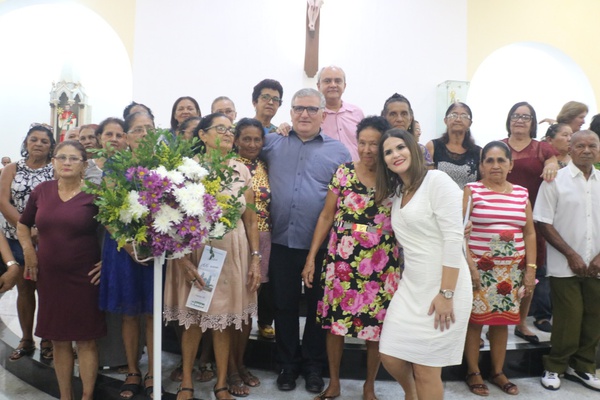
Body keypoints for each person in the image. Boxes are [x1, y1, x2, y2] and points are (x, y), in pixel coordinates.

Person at [302, 116, 401, 400]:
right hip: (342, 261)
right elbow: (326, 215)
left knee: (376, 328)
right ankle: (334, 383)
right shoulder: (343, 172)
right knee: (336, 327)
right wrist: (311, 258)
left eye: (374, 143)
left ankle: (369, 386)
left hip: (382, 264)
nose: (368, 149)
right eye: (362, 142)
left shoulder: (394, 178)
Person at [163, 112, 261, 400]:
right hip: (196, 252)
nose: (228, 134)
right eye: (220, 129)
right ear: (202, 135)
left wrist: (255, 258)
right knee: (194, 317)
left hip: (232, 252)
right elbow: (171, 218)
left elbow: (252, 219)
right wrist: (181, 258)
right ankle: (187, 384)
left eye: (230, 129)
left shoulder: (241, 170)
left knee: (224, 318)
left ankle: (220, 383)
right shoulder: (186, 170)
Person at [261, 88, 351, 394]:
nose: (304, 114)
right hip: (281, 242)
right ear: (290, 113)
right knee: (283, 306)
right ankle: (287, 364)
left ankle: (314, 366)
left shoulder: (338, 152)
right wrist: (274, 129)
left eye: (312, 109)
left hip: (322, 246)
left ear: (323, 115)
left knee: (317, 310)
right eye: (299, 108)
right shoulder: (272, 143)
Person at [375, 129, 472, 400]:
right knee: (390, 355)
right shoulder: (398, 192)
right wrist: (347, 228)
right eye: (388, 152)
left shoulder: (437, 180)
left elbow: (454, 240)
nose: (395, 155)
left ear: (414, 150)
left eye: (400, 148)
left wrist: (446, 294)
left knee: (427, 370)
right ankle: (413, 395)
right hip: (412, 287)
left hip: (444, 285)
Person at [17, 140, 104, 400]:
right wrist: (29, 253)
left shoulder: (95, 194)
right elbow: (23, 226)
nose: (66, 162)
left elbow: (116, 233)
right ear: (53, 161)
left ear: (84, 165)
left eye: (73, 158)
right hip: (50, 277)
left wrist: (109, 263)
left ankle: (87, 396)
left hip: (85, 276)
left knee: (86, 340)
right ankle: (65, 396)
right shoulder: (41, 191)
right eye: (61, 157)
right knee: (58, 339)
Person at [463, 141, 537, 396]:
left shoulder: (521, 193)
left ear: (510, 164)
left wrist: (530, 269)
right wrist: (471, 268)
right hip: (479, 270)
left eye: (500, 160)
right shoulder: (472, 191)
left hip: (511, 272)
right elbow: (460, 232)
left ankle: (497, 371)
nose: (495, 165)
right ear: (481, 165)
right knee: (475, 322)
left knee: (501, 323)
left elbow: (529, 233)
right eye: (489, 161)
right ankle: (473, 371)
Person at [535, 130, 600, 392]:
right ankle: (555, 366)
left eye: (592, 145)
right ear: (570, 150)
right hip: (565, 265)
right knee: (568, 318)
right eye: (580, 145)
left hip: (597, 266)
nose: (586, 150)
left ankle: (583, 367)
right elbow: (542, 222)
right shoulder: (555, 181)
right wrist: (571, 254)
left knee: (594, 318)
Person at [98, 112, 157, 399]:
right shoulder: (114, 166)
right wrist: (129, 244)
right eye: (137, 129)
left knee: (152, 313)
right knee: (130, 314)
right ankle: (133, 369)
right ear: (126, 136)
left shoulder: (164, 165)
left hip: (156, 247)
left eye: (149, 129)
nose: (143, 134)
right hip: (124, 249)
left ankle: (153, 371)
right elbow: (107, 210)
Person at [502, 101, 559, 341]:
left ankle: (521, 322)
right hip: (502, 216)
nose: (520, 120)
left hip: (533, 219)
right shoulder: (500, 146)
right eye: (516, 115)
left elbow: (553, 161)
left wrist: (552, 164)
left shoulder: (542, 148)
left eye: (526, 117)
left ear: (533, 122)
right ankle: (496, 322)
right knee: (499, 269)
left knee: (531, 271)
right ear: (509, 119)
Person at [0, 123, 55, 362]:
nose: (39, 144)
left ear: (51, 146)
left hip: (48, 239)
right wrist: (26, 229)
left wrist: (38, 231)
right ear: (26, 143)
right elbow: (2, 201)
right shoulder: (11, 169)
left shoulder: (55, 169)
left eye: (44, 141)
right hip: (14, 238)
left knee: (49, 291)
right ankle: (26, 338)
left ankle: (48, 339)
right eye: (34, 139)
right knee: (25, 289)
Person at [234, 118, 275, 343]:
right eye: (246, 139)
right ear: (236, 140)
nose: (251, 144)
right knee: (235, 293)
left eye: (256, 139)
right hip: (237, 236)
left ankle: (246, 340)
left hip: (264, 236)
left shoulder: (265, 165)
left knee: (255, 290)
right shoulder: (229, 165)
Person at [426, 102, 481, 189]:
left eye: (464, 116)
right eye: (453, 115)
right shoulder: (432, 146)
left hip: (468, 201)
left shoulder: (479, 152)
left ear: (470, 123)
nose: (458, 119)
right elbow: (426, 181)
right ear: (445, 120)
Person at [316, 66, 365, 161]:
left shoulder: (357, 113)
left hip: (356, 171)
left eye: (338, 81)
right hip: (325, 172)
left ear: (344, 86)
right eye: (327, 81)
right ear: (318, 86)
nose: (333, 85)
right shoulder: (313, 115)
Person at [381, 93, 433, 165]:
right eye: (393, 114)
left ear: (410, 119)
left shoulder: (420, 150)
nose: (399, 119)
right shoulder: (378, 149)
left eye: (404, 114)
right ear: (384, 117)